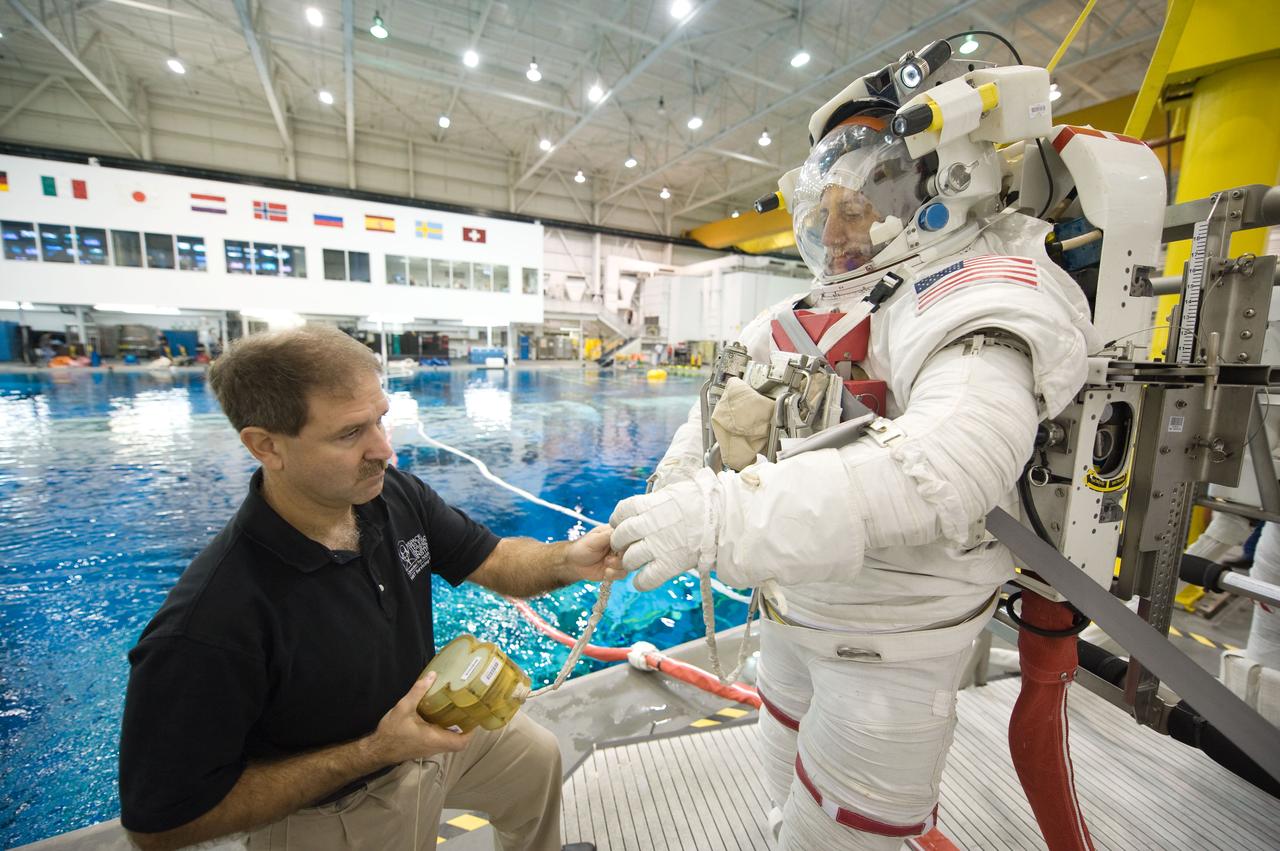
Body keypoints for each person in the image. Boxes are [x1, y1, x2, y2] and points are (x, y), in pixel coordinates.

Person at [609, 61, 1098, 849]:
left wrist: (718, 516)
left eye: (862, 209)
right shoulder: (799, 311)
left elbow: (948, 464)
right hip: (792, 613)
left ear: (945, 186)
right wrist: (664, 500)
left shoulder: (979, 291)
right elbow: (713, 417)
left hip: (891, 644)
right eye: (828, 210)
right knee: (781, 791)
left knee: (840, 833)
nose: (836, 233)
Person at [119, 325, 609, 851]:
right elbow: (161, 825)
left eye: (380, 419)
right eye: (350, 434)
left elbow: (491, 558)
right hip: (337, 805)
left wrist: (571, 559)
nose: (384, 449)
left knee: (535, 758)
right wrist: (375, 750)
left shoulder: (391, 495)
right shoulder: (212, 620)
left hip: (427, 738)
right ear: (266, 446)